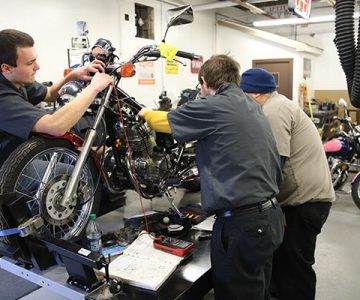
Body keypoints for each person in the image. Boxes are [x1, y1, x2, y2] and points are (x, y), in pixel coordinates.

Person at [139, 55, 285, 300]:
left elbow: (163, 120)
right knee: (257, 289)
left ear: (205, 81)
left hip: (244, 225)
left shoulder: (214, 105)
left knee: (235, 293)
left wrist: (143, 112)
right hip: (268, 218)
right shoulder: (249, 104)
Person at [240, 67, 335, 300]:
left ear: (252, 94)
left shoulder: (273, 111)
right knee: (284, 264)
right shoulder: (279, 104)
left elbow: (274, 165)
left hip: (305, 202)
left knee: (295, 269)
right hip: (303, 199)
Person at [0, 29, 113, 167]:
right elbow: (55, 126)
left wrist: (73, 75)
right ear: (6, 68)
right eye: (30, 63)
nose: (37, 67)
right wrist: (94, 87)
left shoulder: (16, 80)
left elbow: (49, 93)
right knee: (79, 173)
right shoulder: (3, 96)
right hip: (7, 167)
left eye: (36, 60)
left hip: (18, 154)